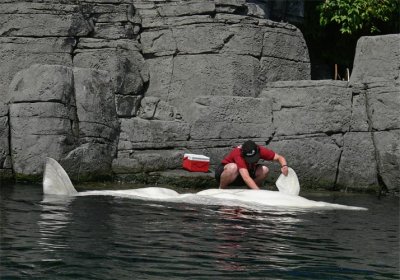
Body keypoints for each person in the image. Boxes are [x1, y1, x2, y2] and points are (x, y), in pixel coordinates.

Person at [215, 140, 289, 190]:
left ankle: (249, 188)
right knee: (233, 167)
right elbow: (246, 177)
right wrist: (259, 193)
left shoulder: (259, 149)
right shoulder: (238, 153)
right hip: (226, 173)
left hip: (244, 174)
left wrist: (284, 166)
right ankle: (221, 189)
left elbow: (279, 157)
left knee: (265, 170)